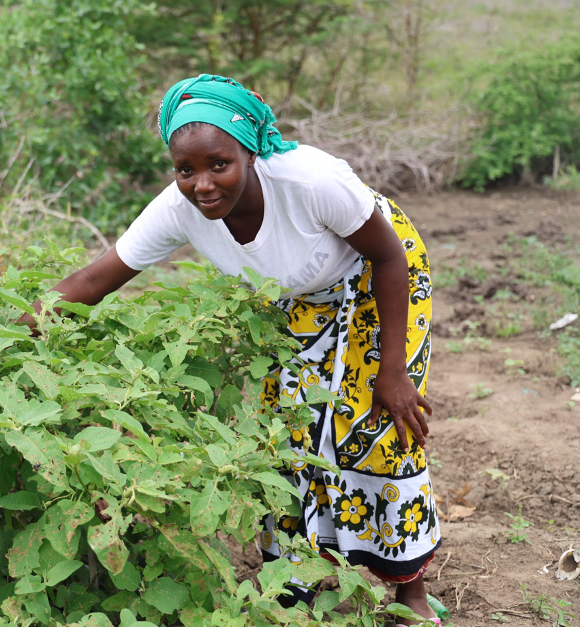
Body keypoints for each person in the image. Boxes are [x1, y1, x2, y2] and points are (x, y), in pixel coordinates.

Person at [27, 74, 441, 622]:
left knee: (375, 425)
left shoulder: (311, 182)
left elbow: (391, 258)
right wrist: (7, 326)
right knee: (287, 431)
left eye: (218, 164)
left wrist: (392, 371)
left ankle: (409, 594)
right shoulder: (177, 210)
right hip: (297, 294)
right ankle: (297, 583)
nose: (202, 184)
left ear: (250, 152)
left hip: (378, 277)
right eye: (185, 169)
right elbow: (90, 283)